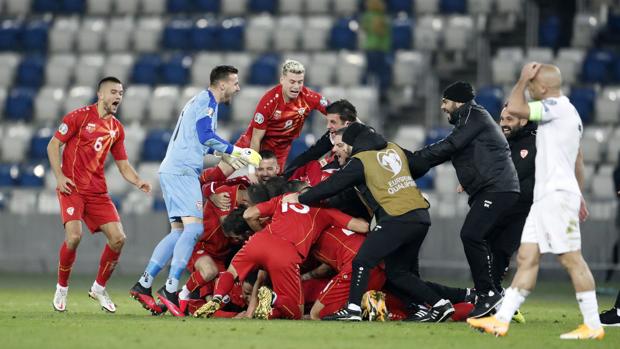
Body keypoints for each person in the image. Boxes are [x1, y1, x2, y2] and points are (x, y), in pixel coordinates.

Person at [467, 63, 605, 340]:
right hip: (546, 198)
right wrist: (578, 193)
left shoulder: (557, 107)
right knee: (527, 257)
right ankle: (501, 320)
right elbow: (577, 159)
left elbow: (517, 109)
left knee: (572, 259)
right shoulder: (564, 114)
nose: (528, 90)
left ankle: (592, 324)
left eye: (532, 86)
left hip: (556, 195)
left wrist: (520, 79)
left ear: (542, 88)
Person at [286, 124, 458, 322]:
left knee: (362, 261)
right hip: (420, 216)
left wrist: (300, 198)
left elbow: (332, 186)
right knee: (397, 272)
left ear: (351, 143)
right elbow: (420, 165)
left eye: (342, 145)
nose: (336, 150)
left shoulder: (360, 160)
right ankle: (440, 305)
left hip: (396, 216)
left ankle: (352, 309)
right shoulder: (393, 147)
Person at [130, 66, 260, 316]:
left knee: (178, 232)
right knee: (195, 229)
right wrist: (235, 151)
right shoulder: (207, 102)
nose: (238, 87)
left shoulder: (201, 101)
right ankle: (170, 289)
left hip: (173, 169)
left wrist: (223, 153)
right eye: (235, 83)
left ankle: (144, 284)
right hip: (182, 172)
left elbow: (199, 141)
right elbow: (205, 134)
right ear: (222, 85)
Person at [414, 81, 520, 318]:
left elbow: (450, 146)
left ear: (458, 101)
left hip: (497, 188)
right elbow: (461, 151)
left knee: (471, 234)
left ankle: (487, 294)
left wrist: (414, 160)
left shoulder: (475, 116)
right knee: (486, 244)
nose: (442, 107)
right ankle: (495, 298)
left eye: (445, 101)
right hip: (493, 188)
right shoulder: (470, 119)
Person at [49, 76, 152, 313]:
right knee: (74, 237)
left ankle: (98, 288)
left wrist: (138, 181)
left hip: (97, 192)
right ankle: (62, 288)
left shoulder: (116, 129)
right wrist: (59, 177)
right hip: (71, 188)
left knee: (118, 238)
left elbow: (123, 165)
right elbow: (53, 145)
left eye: (121, 93)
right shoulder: (79, 116)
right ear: (101, 94)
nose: (118, 97)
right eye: (114, 92)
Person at [194, 187, 369, 320]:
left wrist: (261, 231)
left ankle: (217, 299)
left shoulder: (285, 199)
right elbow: (363, 227)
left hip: (260, 240)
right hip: (286, 252)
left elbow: (249, 214)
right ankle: (273, 298)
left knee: (231, 272)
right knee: (296, 312)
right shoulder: (325, 210)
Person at [201, 59, 329, 183]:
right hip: (250, 144)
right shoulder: (269, 102)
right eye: (292, 81)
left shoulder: (308, 97)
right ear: (282, 80)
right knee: (219, 174)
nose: (296, 86)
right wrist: (251, 170)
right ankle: (195, 181)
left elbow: (333, 110)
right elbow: (256, 138)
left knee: (272, 189)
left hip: (279, 151)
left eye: (300, 82)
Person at [488, 108, 537, 293]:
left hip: (524, 211)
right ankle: (491, 294)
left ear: (523, 121)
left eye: (509, 118)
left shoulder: (538, 142)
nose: (503, 123)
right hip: (500, 207)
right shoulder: (500, 141)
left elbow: (516, 171)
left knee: (504, 251)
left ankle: (492, 295)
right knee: (484, 246)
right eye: (501, 118)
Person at [283, 99, 358, 180]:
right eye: (328, 121)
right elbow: (310, 154)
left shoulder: (362, 144)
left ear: (347, 124)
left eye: (333, 122)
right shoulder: (332, 134)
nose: (328, 126)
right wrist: (284, 177)